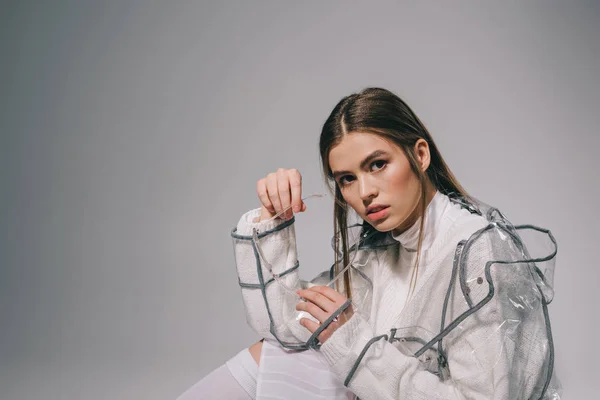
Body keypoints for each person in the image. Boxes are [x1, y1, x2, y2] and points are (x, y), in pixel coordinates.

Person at [178, 87, 561, 399]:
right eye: (346, 178)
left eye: (377, 164)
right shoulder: (379, 251)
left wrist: (355, 344)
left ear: (420, 155)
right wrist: (273, 218)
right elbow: (287, 330)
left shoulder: (477, 252)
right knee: (279, 356)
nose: (364, 193)